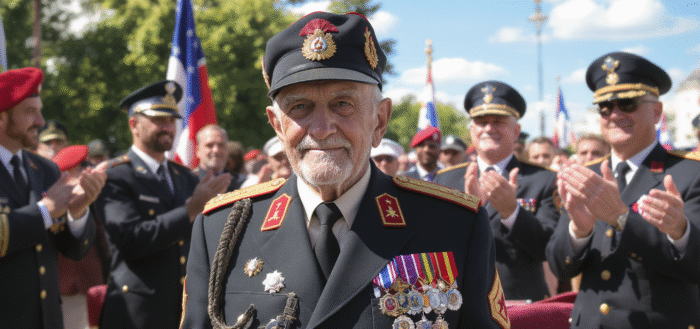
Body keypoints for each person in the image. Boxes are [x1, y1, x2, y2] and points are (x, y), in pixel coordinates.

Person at [181, 12, 508, 329]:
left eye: (343, 104)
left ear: (379, 120)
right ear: (277, 127)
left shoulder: (455, 225)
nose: (321, 129)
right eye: (300, 107)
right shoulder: (223, 230)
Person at [547, 52, 700, 328]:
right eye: (605, 106)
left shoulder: (690, 173)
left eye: (627, 103)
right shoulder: (587, 175)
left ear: (656, 112)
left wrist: (624, 217)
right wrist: (578, 232)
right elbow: (560, 266)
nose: (615, 114)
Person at [0, 67, 106, 329]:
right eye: (30, 112)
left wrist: (77, 212)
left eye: (39, 110)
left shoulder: (44, 168)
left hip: (46, 319)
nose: (41, 121)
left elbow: (72, 251)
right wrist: (46, 211)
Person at [96, 80, 230, 329]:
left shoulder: (184, 176)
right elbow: (130, 240)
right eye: (159, 120)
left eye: (171, 120)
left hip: (184, 307)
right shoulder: (115, 175)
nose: (168, 127)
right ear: (134, 124)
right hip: (137, 311)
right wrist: (190, 210)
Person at [434, 80, 560, 301]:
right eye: (481, 122)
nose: (489, 128)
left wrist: (511, 212)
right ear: (471, 131)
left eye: (498, 121)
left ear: (516, 131)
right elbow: (431, 244)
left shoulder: (543, 179)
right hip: (459, 301)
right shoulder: (446, 179)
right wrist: (468, 216)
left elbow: (549, 249)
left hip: (518, 304)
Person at [52, 145, 110, 329]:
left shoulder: (93, 195)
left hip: (93, 284)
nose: (87, 173)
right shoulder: (53, 200)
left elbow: (103, 241)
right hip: (67, 289)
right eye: (80, 169)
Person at [194, 124, 246, 192]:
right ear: (198, 151)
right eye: (209, 145)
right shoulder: (185, 183)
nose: (216, 150)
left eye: (221, 145)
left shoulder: (242, 183)